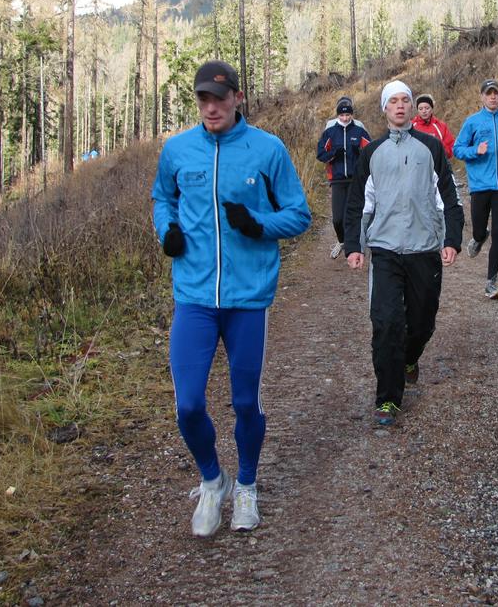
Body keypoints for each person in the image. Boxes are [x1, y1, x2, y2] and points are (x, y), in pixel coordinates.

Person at [151, 60, 312, 536]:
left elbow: (299, 214)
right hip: (195, 295)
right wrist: (168, 231)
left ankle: (246, 486)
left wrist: (259, 224)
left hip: (247, 298)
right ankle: (211, 480)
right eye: (203, 98)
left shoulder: (268, 150)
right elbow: (163, 198)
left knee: (245, 403)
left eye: (219, 98)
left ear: (238, 98)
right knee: (188, 405)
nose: (211, 106)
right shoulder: (178, 150)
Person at [344, 80, 464, 426]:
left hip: (424, 248)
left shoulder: (431, 148)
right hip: (384, 249)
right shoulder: (372, 152)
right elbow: (359, 204)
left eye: (405, 100)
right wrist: (355, 245)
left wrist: (451, 239)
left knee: (422, 322)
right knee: (385, 322)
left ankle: (411, 357)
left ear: (413, 108)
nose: (400, 106)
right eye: (393, 101)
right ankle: (387, 397)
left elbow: (449, 198)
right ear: (384, 109)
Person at [452, 79, 498, 299]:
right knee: (479, 229)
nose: (493, 97)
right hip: (480, 185)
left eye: (496, 93)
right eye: (488, 93)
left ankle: (491, 282)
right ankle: (478, 236)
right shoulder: (472, 122)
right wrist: (476, 149)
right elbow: (458, 149)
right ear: (482, 97)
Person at [316, 95, 371, 259]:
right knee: (338, 219)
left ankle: (353, 248)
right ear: (337, 115)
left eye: (348, 115)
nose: (345, 118)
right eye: (342, 115)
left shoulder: (359, 131)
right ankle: (342, 241)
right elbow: (320, 154)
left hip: (355, 179)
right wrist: (334, 154)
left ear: (352, 114)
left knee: (354, 215)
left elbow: (370, 153)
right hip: (337, 179)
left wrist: (359, 154)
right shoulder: (330, 133)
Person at [410, 93, 454, 159]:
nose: (424, 111)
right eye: (420, 109)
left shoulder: (441, 126)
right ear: (417, 110)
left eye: (427, 108)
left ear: (432, 108)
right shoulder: (410, 126)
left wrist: (438, 144)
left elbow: (451, 150)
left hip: (437, 166)